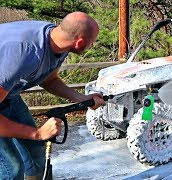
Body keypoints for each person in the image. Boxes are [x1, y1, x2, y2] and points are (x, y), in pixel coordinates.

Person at [0, 12, 106, 179]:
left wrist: (81, 98)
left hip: (8, 96)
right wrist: (37, 133)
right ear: (80, 43)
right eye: (91, 43)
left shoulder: (58, 41)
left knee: (37, 153)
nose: (91, 46)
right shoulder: (22, 53)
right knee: (11, 169)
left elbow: (49, 80)